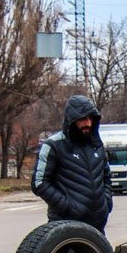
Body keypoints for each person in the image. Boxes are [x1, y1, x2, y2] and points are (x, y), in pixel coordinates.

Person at [32, 94, 111, 231]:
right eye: (82, 119)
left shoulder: (96, 145)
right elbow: (39, 183)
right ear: (71, 120)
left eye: (90, 118)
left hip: (97, 225)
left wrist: (106, 203)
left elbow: (107, 177)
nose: (88, 123)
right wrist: (67, 207)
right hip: (64, 225)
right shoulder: (53, 145)